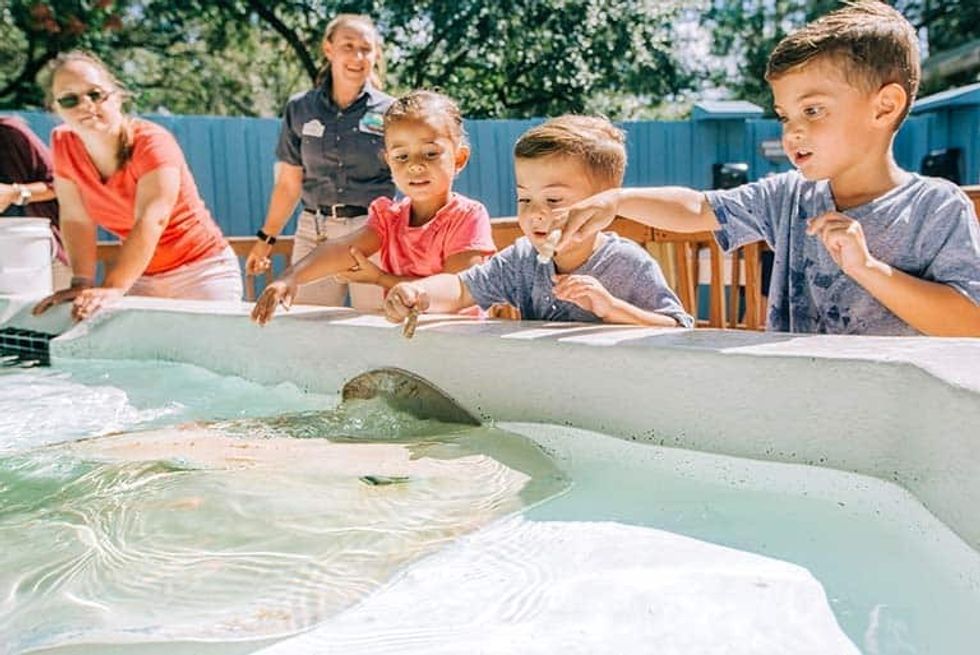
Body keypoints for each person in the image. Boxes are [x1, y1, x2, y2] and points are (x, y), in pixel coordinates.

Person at [556, 2, 980, 337]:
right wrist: (618, 200)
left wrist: (867, 268)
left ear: (884, 106)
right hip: (794, 405)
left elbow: (969, 326)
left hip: (891, 419)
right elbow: (698, 208)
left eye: (812, 110)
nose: (793, 131)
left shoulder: (937, 207)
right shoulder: (789, 196)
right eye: (784, 115)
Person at [383, 115, 693, 328]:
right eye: (524, 199)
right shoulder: (522, 260)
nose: (535, 213)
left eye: (553, 200)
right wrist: (418, 293)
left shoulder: (628, 264)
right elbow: (462, 288)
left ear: (603, 204)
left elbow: (678, 328)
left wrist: (611, 308)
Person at [251, 90, 496, 325]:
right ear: (389, 162)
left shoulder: (467, 217)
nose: (415, 166)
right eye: (402, 157)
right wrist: (290, 277)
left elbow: (456, 288)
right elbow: (342, 249)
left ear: (459, 158)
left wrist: (381, 278)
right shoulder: (389, 218)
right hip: (406, 343)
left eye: (430, 153)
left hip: (458, 342)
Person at [32, 51, 242, 321]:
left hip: (202, 270)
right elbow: (75, 218)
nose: (85, 105)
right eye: (70, 99)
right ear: (56, 109)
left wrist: (112, 288)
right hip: (141, 276)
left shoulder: (152, 142)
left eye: (95, 94)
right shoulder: (62, 142)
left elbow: (152, 219)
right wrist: (81, 283)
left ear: (117, 96)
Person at [246, 13, 395, 311]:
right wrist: (266, 238)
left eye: (366, 48)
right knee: (309, 327)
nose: (357, 56)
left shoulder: (391, 110)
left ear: (376, 54)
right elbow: (289, 184)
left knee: (378, 323)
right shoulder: (300, 109)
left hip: (372, 233)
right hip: (315, 231)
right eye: (347, 46)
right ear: (329, 50)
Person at [0, 116, 71, 289]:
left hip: (39, 257)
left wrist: (15, 193)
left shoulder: (8, 132)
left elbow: (65, 185)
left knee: (48, 315)